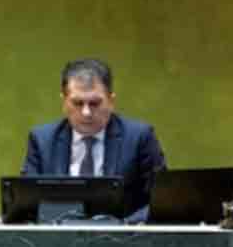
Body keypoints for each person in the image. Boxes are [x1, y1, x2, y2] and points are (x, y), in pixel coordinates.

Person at [21, 58, 166, 223]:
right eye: (77, 103)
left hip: (125, 240)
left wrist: (124, 227)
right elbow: (27, 203)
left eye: (95, 103)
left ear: (111, 101)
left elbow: (161, 202)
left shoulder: (140, 137)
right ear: (64, 101)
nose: (86, 113)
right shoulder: (42, 140)